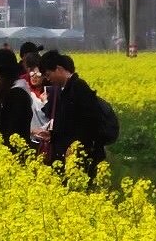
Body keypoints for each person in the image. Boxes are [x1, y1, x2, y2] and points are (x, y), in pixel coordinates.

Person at [39, 50, 114, 178]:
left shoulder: (79, 87)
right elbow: (68, 124)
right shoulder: (65, 90)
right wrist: (52, 135)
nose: (48, 79)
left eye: (48, 74)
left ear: (59, 69)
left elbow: (89, 124)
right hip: (71, 157)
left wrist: (76, 146)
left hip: (82, 158)